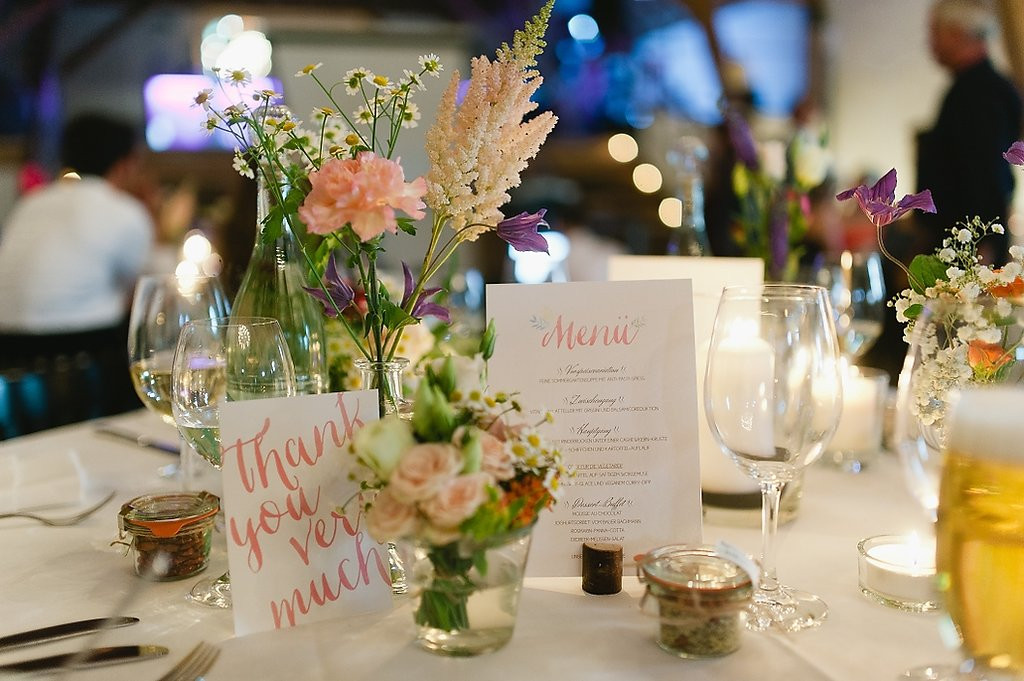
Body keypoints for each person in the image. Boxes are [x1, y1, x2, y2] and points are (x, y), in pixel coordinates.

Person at [0, 113, 154, 434]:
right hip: (84, 360)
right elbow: (141, 292)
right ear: (126, 163)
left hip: (9, 355)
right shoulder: (125, 211)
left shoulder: (32, 201)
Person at [916, 0, 1022, 265]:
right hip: (964, 241)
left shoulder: (978, 93)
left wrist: (983, 246)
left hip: (969, 249)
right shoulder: (977, 87)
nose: (930, 43)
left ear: (957, 32)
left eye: (934, 33)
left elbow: (989, 173)